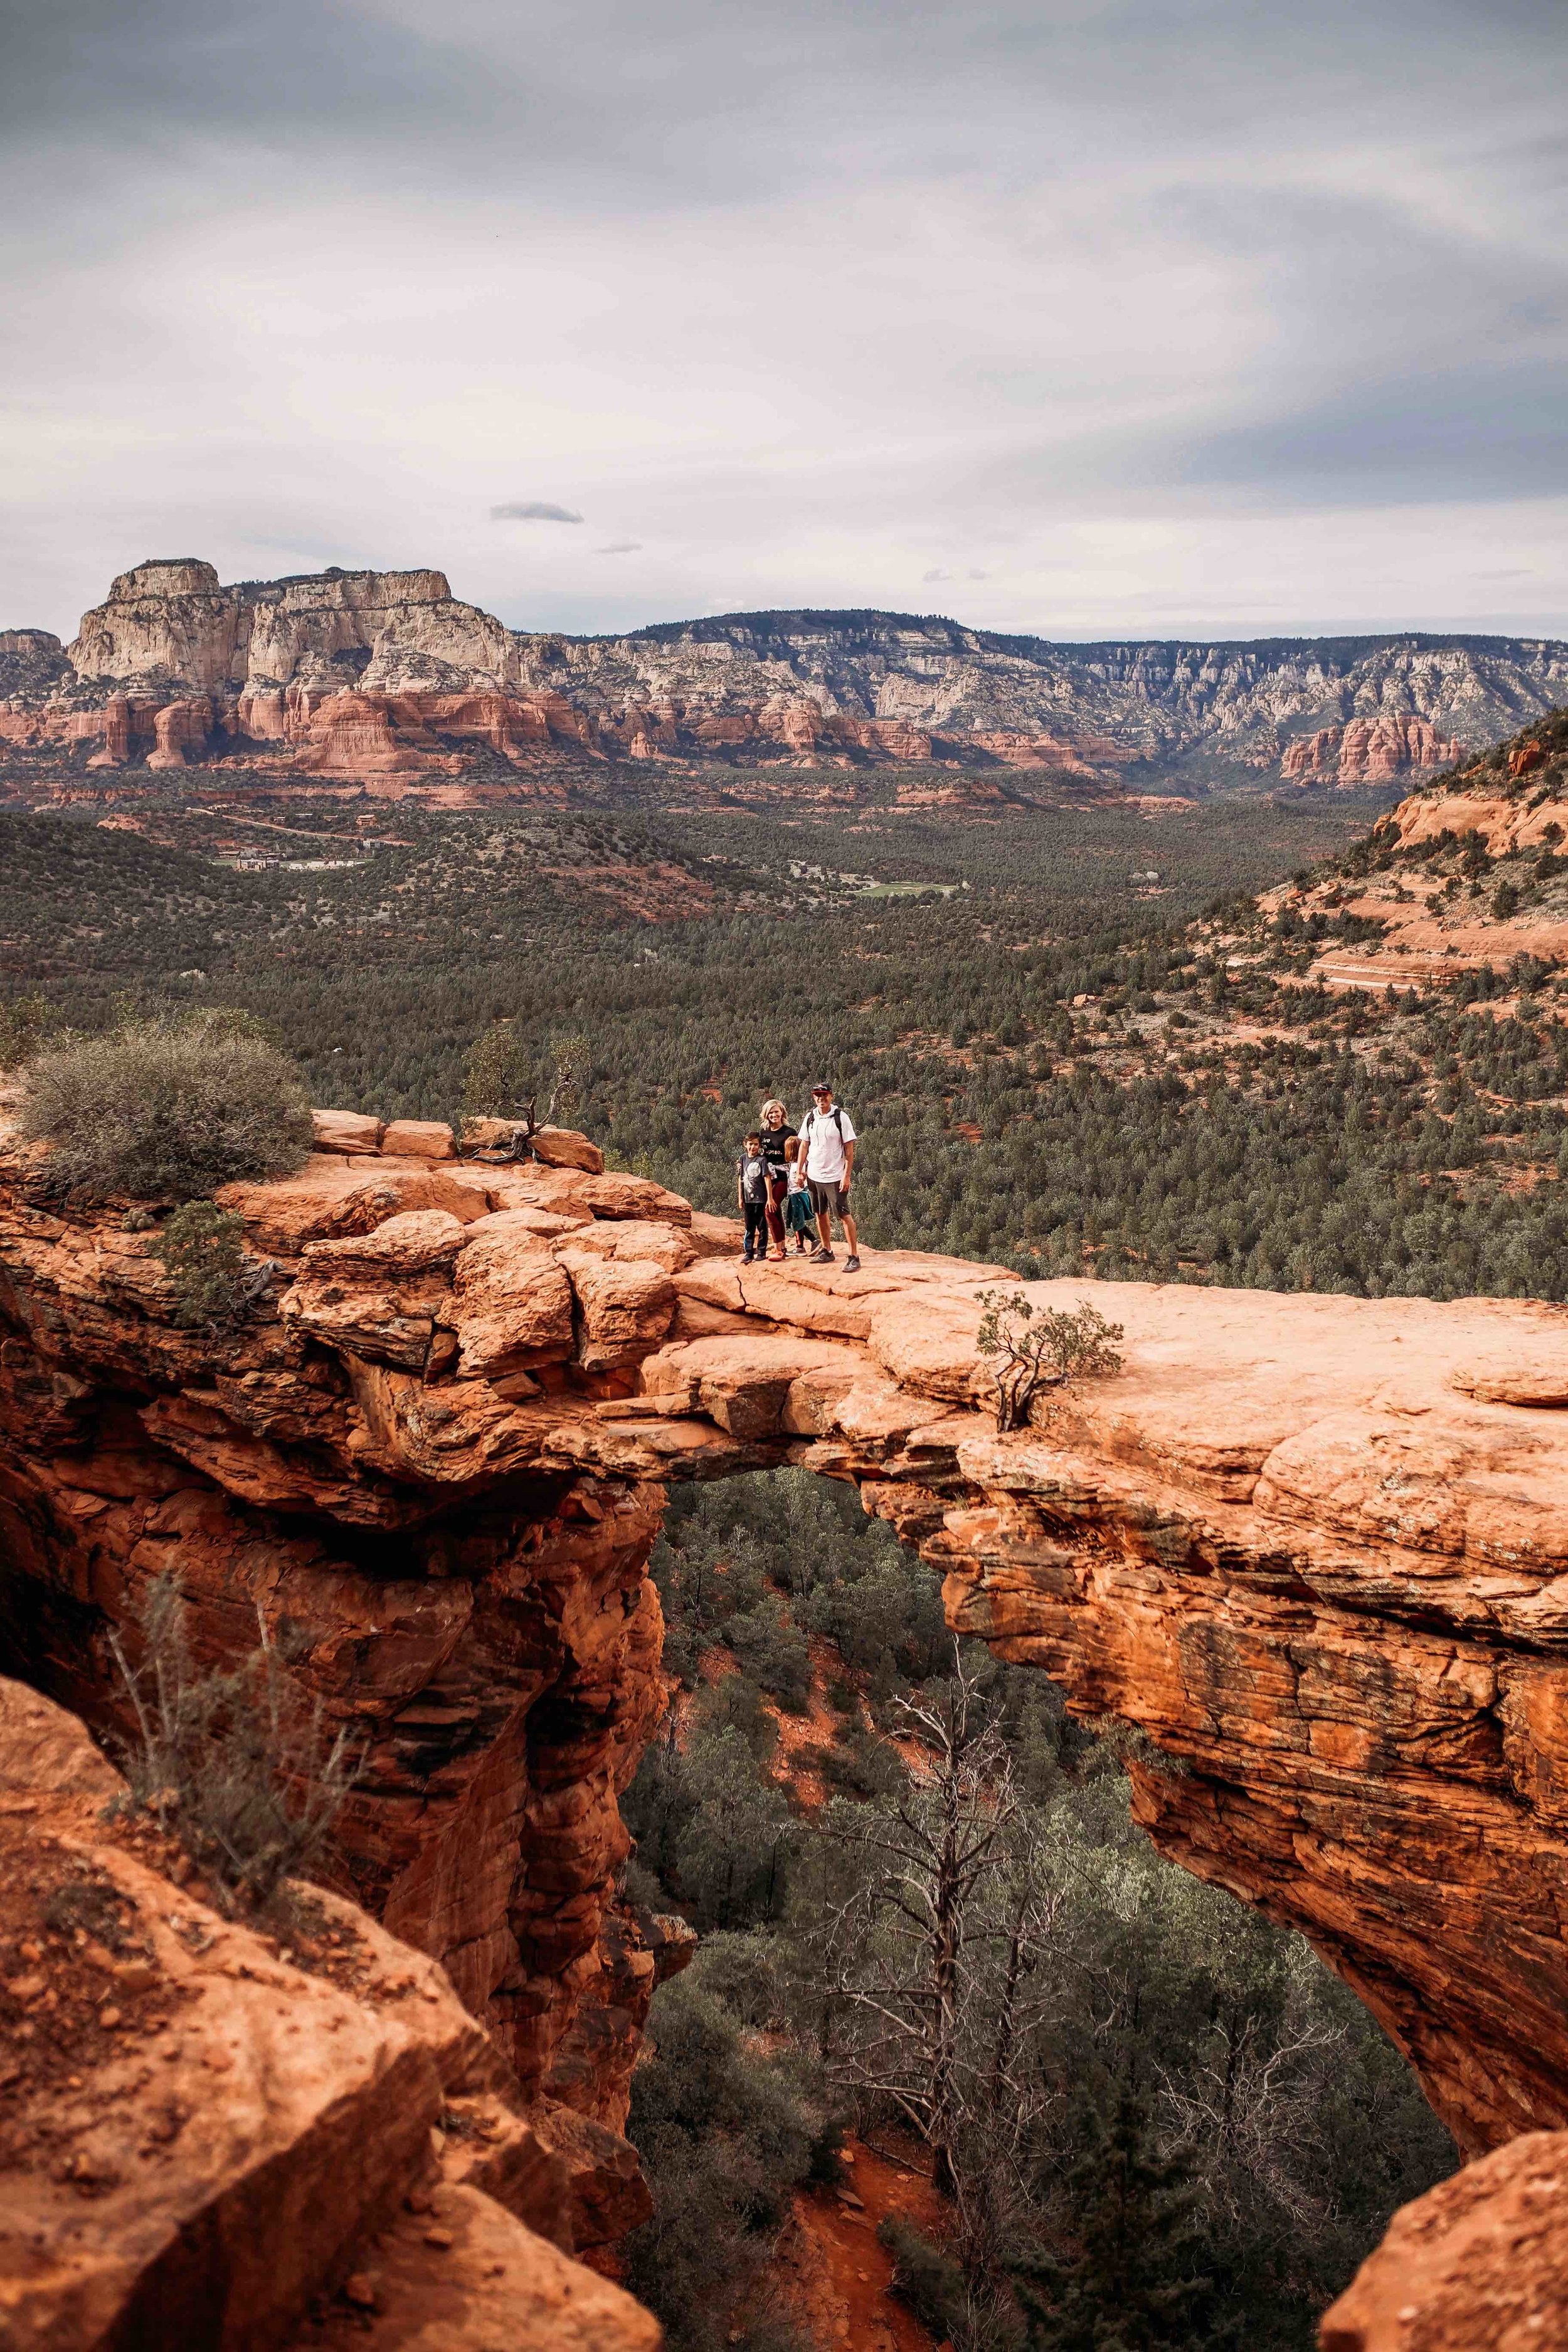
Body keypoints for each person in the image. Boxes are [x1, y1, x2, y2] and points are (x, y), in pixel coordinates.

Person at [800, 1082, 860, 1270]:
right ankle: (827, 1251)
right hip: (814, 1175)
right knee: (820, 1213)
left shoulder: (840, 1117)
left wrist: (847, 1176)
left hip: (835, 1175)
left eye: (824, 1094)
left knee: (844, 1215)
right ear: (813, 1097)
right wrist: (800, 1170)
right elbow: (804, 1145)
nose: (821, 1098)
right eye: (817, 1095)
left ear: (831, 1096)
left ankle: (854, 1257)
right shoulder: (810, 1117)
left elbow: (849, 1150)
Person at [756, 1098, 797, 1263]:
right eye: (771, 1112)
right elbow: (758, 1153)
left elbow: (796, 1155)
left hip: (783, 1175)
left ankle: (777, 1248)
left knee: (769, 1210)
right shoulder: (764, 1133)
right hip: (766, 1176)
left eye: (777, 1112)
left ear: (782, 1113)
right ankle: (782, 1246)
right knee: (776, 1210)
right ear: (766, 1115)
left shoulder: (790, 1133)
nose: (774, 1115)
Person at [736, 1131, 770, 1263]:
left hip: (761, 1199)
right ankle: (749, 1252)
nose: (753, 1147)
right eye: (750, 1144)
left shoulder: (762, 1160)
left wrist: (770, 1198)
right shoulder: (743, 1159)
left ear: (760, 1146)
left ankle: (761, 1252)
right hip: (748, 1199)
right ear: (745, 1144)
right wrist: (740, 1198)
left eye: (756, 1144)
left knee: (762, 1227)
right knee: (749, 1227)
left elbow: (767, 1178)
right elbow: (741, 1179)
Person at [783, 1135, 815, 1254]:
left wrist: (802, 1180)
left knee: (797, 1221)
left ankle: (800, 1246)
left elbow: (802, 1178)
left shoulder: (798, 1165)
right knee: (797, 1221)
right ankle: (814, 1241)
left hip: (797, 1195)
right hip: (799, 1195)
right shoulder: (798, 1164)